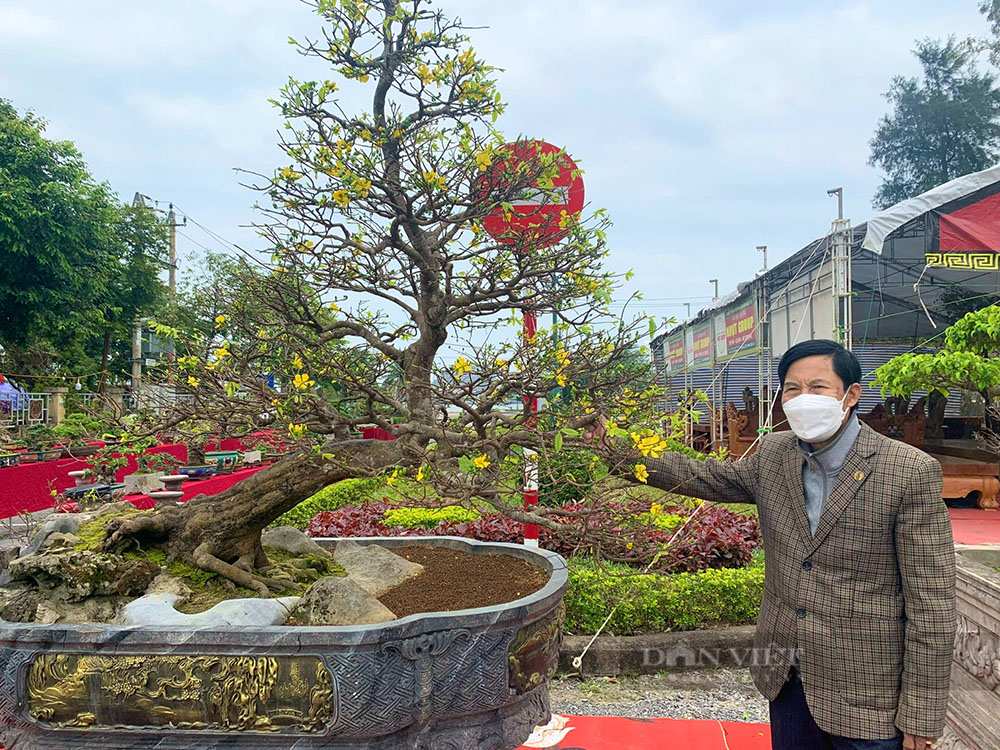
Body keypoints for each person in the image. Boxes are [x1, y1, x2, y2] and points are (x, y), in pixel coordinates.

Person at [594, 339, 956, 750]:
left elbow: (933, 605)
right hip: (787, 678)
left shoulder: (908, 471)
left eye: (818, 388)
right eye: (792, 389)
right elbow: (705, 476)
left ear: (851, 395)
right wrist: (614, 449)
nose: (803, 399)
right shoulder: (773, 454)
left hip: (868, 696)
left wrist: (921, 716)